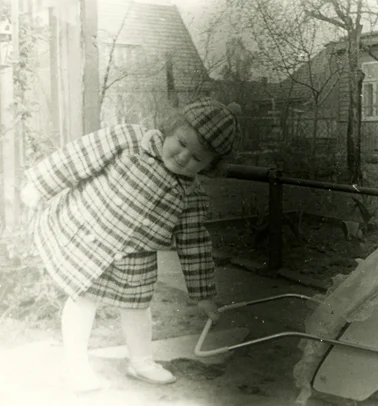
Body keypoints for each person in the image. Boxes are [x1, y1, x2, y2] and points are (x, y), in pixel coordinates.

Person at [20, 97, 241, 392]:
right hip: (90, 235)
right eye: (181, 142)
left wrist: (203, 294)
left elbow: (194, 243)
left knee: (138, 307)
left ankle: (142, 361)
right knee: (82, 298)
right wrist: (39, 185)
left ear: (210, 166)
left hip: (135, 258)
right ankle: (75, 364)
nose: (184, 157)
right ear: (171, 127)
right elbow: (78, 156)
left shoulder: (191, 195)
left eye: (198, 158)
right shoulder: (127, 140)